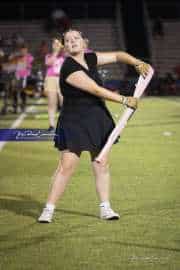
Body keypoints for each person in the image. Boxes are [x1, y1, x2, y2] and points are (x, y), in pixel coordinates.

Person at [38, 29, 150, 223]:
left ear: (84, 42)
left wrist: (136, 62)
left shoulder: (90, 59)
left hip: (97, 118)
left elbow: (117, 55)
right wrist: (124, 99)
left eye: (76, 38)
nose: (72, 41)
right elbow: (95, 89)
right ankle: (49, 209)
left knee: (101, 164)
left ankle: (105, 208)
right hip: (74, 121)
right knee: (66, 166)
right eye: (68, 40)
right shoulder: (68, 67)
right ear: (65, 46)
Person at [44, 37, 65, 131]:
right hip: (51, 79)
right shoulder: (49, 55)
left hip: (62, 79)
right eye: (54, 44)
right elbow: (49, 63)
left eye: (58, 44)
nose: (56, 46)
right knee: (52, 103)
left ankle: (65, 124)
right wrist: (56, 52)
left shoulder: (65, 56)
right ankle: (51, 125)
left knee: (63, 102)